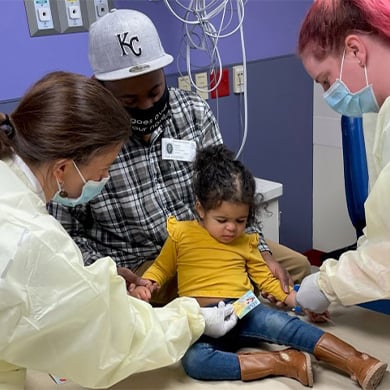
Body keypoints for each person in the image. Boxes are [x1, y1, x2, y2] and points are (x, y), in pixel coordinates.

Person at [47, 8, 311, 306]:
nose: (147, 106)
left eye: (155, 92)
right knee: (205, 299)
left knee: (295, 269)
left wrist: (260, 249)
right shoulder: (83, 140)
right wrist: (106, 272)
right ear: (100, 87)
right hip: (141, 263)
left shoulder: (192, 112)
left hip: (207, 238)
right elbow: (63, 235)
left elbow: (229, 190)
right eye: (129, 100)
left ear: (163, 73)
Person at [0, 71, 238, 389]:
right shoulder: (33, 238)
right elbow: (110, 344)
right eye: (105, 168)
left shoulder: (13, 186)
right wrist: (192, 319)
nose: (106, 177)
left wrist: (101, 279)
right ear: (63, 168)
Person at [131, 144, 387, 390]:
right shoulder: (181, 234)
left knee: (288, 326)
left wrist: (300, 301)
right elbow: (162, 268)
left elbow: (267, 281)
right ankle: (282, 362)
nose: (231, 228)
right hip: (201, 319)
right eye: (222, 220)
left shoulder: (246, 242)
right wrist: (149, 283)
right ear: (200, 208)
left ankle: (357, 361)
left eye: (240, 220)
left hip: (244, 307)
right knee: (194, 361)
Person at [295, 0, 390, 313]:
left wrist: (325, 284)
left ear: (354, 50)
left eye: (325, 80)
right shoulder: (382, 108)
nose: (328, 95)